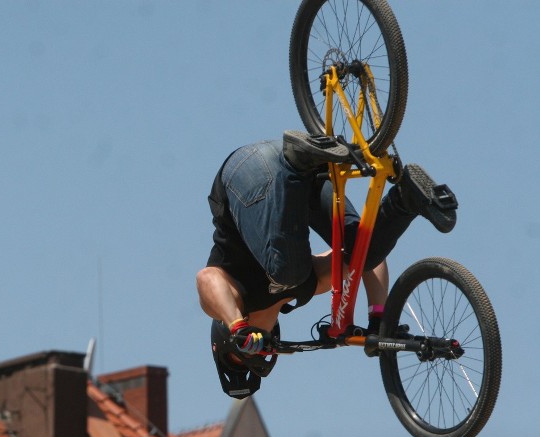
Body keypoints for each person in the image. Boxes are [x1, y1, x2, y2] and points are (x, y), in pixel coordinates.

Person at [196, 130, 458, 399]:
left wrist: (236, 324)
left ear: (225, 340)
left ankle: (295, 165)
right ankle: (405, 200)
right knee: (359, 255)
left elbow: (207, 279)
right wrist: (380, 317)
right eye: (260, 355)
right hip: (306, 173)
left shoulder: (231, 302)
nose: (256, 351)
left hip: (245, 174)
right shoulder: (306, 289)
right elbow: (359, 265)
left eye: (242, 355)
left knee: (289, 273)